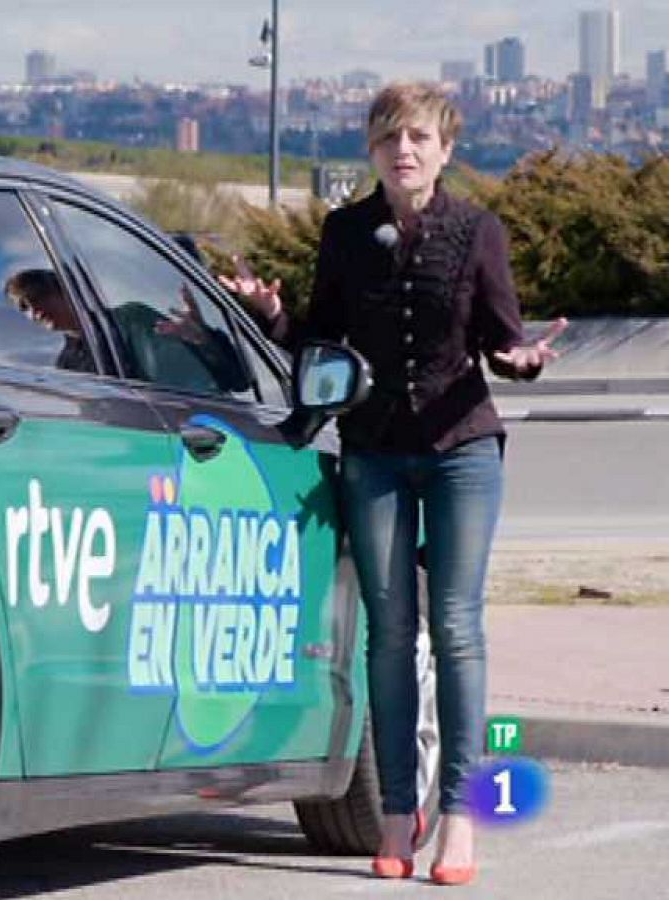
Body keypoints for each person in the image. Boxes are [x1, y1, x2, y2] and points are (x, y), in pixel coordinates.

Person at [220, 82, 567, 887]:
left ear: (445, 150)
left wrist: (522, 360)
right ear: (371, 150)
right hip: (373, 452)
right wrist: (271, 315)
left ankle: (460, 819)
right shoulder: (345, 232)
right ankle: (394, 815)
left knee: (455, 627)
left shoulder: (477, 231)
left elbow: (503, 339)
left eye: (417, 138)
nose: (402, 151)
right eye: (387, 139)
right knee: (387, 633)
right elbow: (319, 341)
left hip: (461, 449)